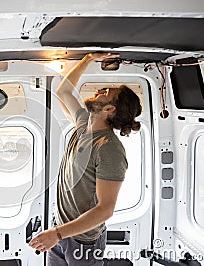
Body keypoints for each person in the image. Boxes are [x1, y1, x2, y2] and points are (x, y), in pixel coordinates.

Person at [29, 53, 142, 265]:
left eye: (106, 93)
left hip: (83, 241)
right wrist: (88, 59)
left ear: (109, 110)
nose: (99, 91)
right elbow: (63, 91)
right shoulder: (83, 124)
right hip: (61, 229)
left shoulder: (109, 149)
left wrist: (58, 233)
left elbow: (105, 210)